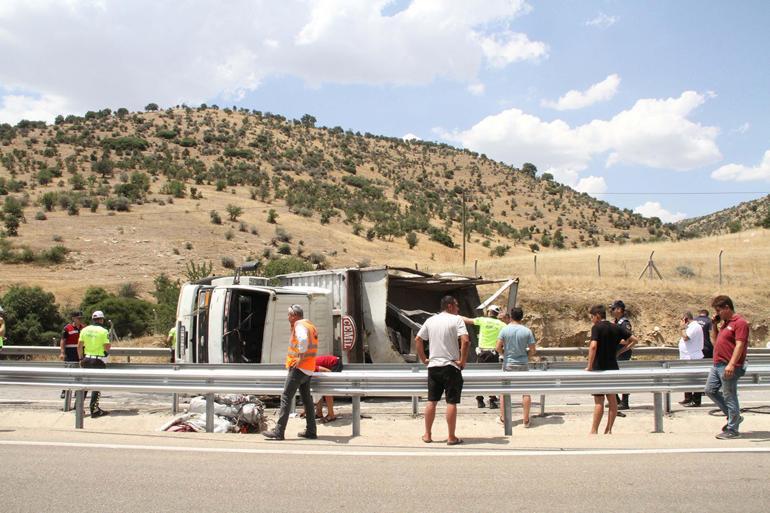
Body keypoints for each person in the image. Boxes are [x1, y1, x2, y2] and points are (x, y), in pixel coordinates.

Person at [415, 295, 470, 446]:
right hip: (450, 365)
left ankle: (427, 434)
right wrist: (462, 361)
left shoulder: (431, 320)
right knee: (451, 402)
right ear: (450, 306)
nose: (458, 309)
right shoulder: (457, 320)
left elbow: (418, 339)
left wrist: (424, 359)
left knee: (431, 401)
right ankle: (451, 436)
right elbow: (465, 340)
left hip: (433, 366)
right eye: (457, 305)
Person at [263, 304, 319, 441]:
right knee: (307, 400)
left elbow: (303, 341)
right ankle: (311, 431)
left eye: (289, 315)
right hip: (309, 368)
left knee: (286, 397)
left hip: (299, 368)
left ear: (294, 315)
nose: (288, 317)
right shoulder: (309, 325)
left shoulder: (299, 325)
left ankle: (279, 431)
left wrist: (299, 358)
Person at [586, 304, 637, 434]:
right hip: (613, 367)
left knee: (599, 401)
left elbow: (593, 347)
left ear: (597, 316)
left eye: (592, 317)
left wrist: (589, 366)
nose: (591, 319)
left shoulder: (596, 328)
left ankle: (593, 430)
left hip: (599, 368)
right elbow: (634, 340)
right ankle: (608, 430)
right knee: (612, 400)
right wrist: (620, 351)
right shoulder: (616, 327)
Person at [705, 295, 750, 440]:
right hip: (717, 364)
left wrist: (731, 364)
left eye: (718, 310)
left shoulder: (740, 323)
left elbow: (740, 345)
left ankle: (733, 429)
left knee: (729, 395)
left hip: (729, 365)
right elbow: (714, 341)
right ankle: (734, 417)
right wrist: (714, 325)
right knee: (710, 390)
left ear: (726, 307)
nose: (717, 313)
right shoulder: (725, 323)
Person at [496, 306, 536, 428]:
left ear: (511, 316)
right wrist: (527, 356)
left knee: (504, 392)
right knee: (526, 392)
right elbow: (533, 350)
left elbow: (497, 347)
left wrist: (504, 354)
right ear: (521, 317)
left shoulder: (505, 330)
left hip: (509, 363)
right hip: (523, 363)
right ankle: (526, 420)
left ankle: (504, 418)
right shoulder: (527, 331)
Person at [461, 305, 505, 409]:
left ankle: (480, 399)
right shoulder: (502, 324)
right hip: (494, 353)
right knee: (493, 377)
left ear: (489, 312)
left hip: (481, 353)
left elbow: (467, 320)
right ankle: (492, 400)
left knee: (479, 376)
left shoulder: (483, 320)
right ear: (497, 313)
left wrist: (453, 316)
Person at [77, 310, 111, 418]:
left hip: (86, 359)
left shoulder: (84, 329)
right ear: (102, 320)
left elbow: (79, 345)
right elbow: (107, 346)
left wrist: (81, 358)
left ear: (92, 319)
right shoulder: (104, 331)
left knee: (84, 386)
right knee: (96, 386)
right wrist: (105, 352)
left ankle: (80, 409)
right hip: (98, 361)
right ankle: (94, 409)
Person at [610, 300, 632, 413]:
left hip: (622, 353)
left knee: (623, 378)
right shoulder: (616, 322)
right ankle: (616, 401)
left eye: (613, 309)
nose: (611, 311)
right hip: (616, 353)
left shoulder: (624, 323)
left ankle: (624, 402)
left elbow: (627, 340)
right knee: (614, 377)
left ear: (619, 309)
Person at [678, 311, 705, 407]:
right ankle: (688, 398)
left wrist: (682, 327)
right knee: (687, 379)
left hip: (693, 357)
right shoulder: (690, 327)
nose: (680, 321)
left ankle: (696, 400)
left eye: (682, 319)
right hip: (687, 357)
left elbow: (686, 337)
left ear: (686, 318)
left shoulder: (694, 326)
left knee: (695, 379)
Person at [59, 311, 85, 399]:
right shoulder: (67, 328)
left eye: (81, 318)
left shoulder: (83, 328)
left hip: (80, 353)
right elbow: (63, 340)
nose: (80, 319)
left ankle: (77, 391)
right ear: (73, 318)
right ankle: (65, 391)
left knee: (80, 373)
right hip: (70, 353)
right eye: (78, 318)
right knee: (69, 373)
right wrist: (62, 352)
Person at [313, 354, 342, 422]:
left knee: (327, 390)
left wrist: (330, 381)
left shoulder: (310, 366)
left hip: (335, 363)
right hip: (331, 363)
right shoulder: (306, 366)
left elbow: (327, 371)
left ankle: (331, 415)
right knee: (318, 389)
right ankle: (319, 413)